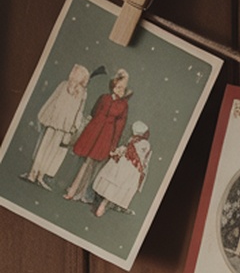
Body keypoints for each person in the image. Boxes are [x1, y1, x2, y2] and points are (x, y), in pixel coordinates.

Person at [63, 70, 131, 203]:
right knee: (85, 162)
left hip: (106, 136)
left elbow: (120, 127)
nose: (120, 90)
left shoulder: (123, 105)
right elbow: (94, 111)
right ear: (113, 85)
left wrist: (113, 145)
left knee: (92, 164)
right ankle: (74, 190)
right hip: (94, 131)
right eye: (118, 87)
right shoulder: (104, 98)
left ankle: (79, 192)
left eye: (123, 88)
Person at [23, 64, 90, 187]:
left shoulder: (83, 93)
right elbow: (53, 100)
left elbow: (79, 110)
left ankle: (41, 175)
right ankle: (33, 173)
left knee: (54, 151)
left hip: (66, 126)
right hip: (55, 121)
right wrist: (44, 114)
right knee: (44, 146)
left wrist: (75, 125)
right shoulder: (63, 85)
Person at [93, 119, 152, 216]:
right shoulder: (137, 141)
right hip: (128, 165)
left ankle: (107, 204)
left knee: (120, 183)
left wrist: (120, 152)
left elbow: (137, 154)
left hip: (130, 166)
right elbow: (130, 151)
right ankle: (104, 205)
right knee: (117, 183)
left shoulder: (142, 143)